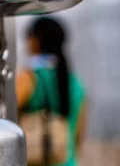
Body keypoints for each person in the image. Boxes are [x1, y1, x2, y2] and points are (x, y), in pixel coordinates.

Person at [16, 17, 87, 166]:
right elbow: (78, 135)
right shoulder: (76, 83)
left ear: (36, 40)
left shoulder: (29, 78)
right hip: (68, 161)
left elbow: (5, 116)